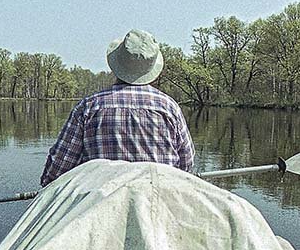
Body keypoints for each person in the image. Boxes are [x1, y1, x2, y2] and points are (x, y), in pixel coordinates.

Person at [41, 29, 195, 186]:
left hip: (100, 203)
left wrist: (47, 185)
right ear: (151, 69)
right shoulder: (170, 108)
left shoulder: (88, 107)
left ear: (116, 65)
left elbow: (58, 168)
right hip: (158, 198)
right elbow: (186, 165)